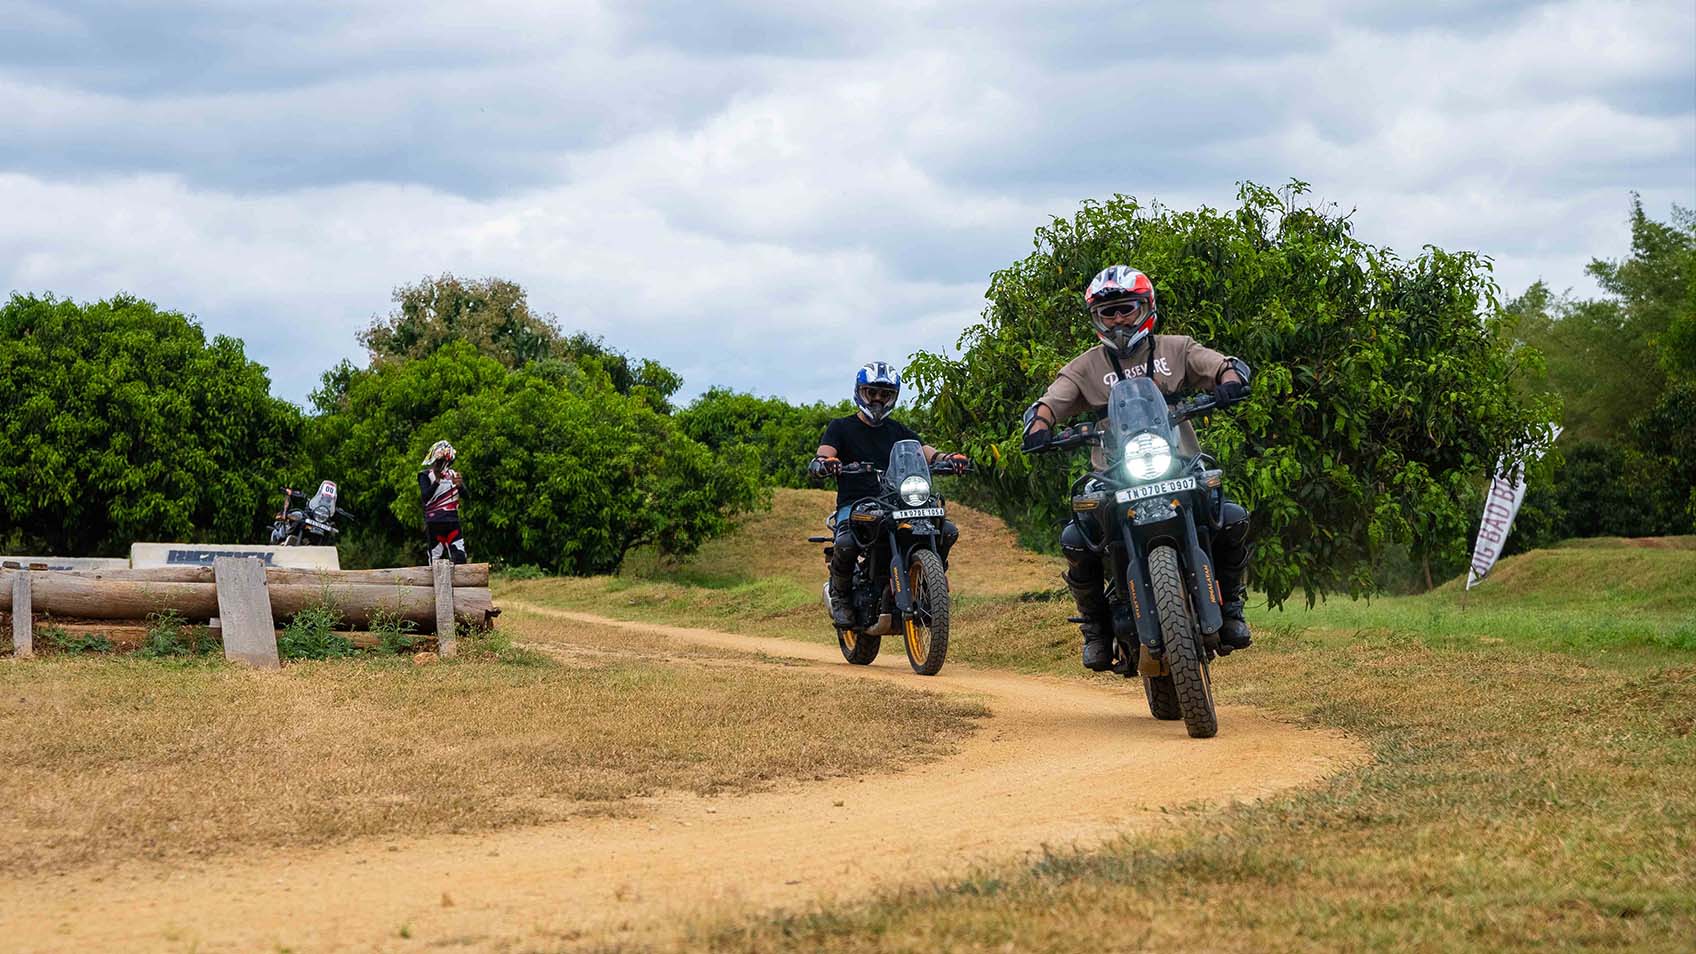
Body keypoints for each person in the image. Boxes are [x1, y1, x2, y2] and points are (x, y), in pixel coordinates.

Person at [1020, 265, 1254, 670]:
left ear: (1145, 307)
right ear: (1096, 318)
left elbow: (1218, 364)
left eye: (1125, 309)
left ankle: (1230, 606)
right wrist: (1039, 424)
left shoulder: (1176, 349)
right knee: (1077, 539)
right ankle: (1096, 628)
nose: (1117, 320)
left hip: (1178, 463)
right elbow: (1051, 402)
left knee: (1231, 518)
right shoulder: (1084, 367)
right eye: (1107, 313)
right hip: (1114, 474)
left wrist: (1230, 377)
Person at [808, 361, 969, 628]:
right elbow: (825, 452)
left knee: (947, 530)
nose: (878, 400)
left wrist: (947, 458)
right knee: (847, 542)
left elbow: (923, 450)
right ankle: (840, 596)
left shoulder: (897, 430)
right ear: (860, 392)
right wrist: (826, 462)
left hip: (897, 501)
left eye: (885, 395)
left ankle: (930, 584)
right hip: (856, 503)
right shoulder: (841, 427)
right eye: (872, 393)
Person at [419, 440, 468, 565]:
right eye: (436, 461)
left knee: (460, 558)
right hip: (434, 524)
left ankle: (459, 584)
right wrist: (437, 481)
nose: (437, 464)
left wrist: (460, 486)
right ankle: (435, 584)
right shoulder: (425, 475)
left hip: (452, 522)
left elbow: (466, 497)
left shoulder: (453, 475)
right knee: (435, 562)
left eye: (440, 462)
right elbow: (425, 497)